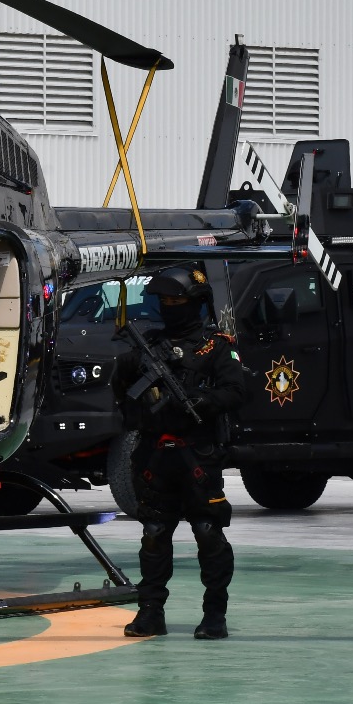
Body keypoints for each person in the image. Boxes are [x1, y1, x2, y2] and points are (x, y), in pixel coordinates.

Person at [118, 263, 246, 640]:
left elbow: (236, 392)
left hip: (198, 453)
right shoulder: (145, 348)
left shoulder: (217, 347)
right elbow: (122, 392)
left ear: (197, 303)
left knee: (208, 531)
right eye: (166, 300)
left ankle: (214, 614)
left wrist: (201, 402)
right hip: (155, 454)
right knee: (155, 532)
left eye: (179, 300)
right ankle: (150, 611)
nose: (171, 306)